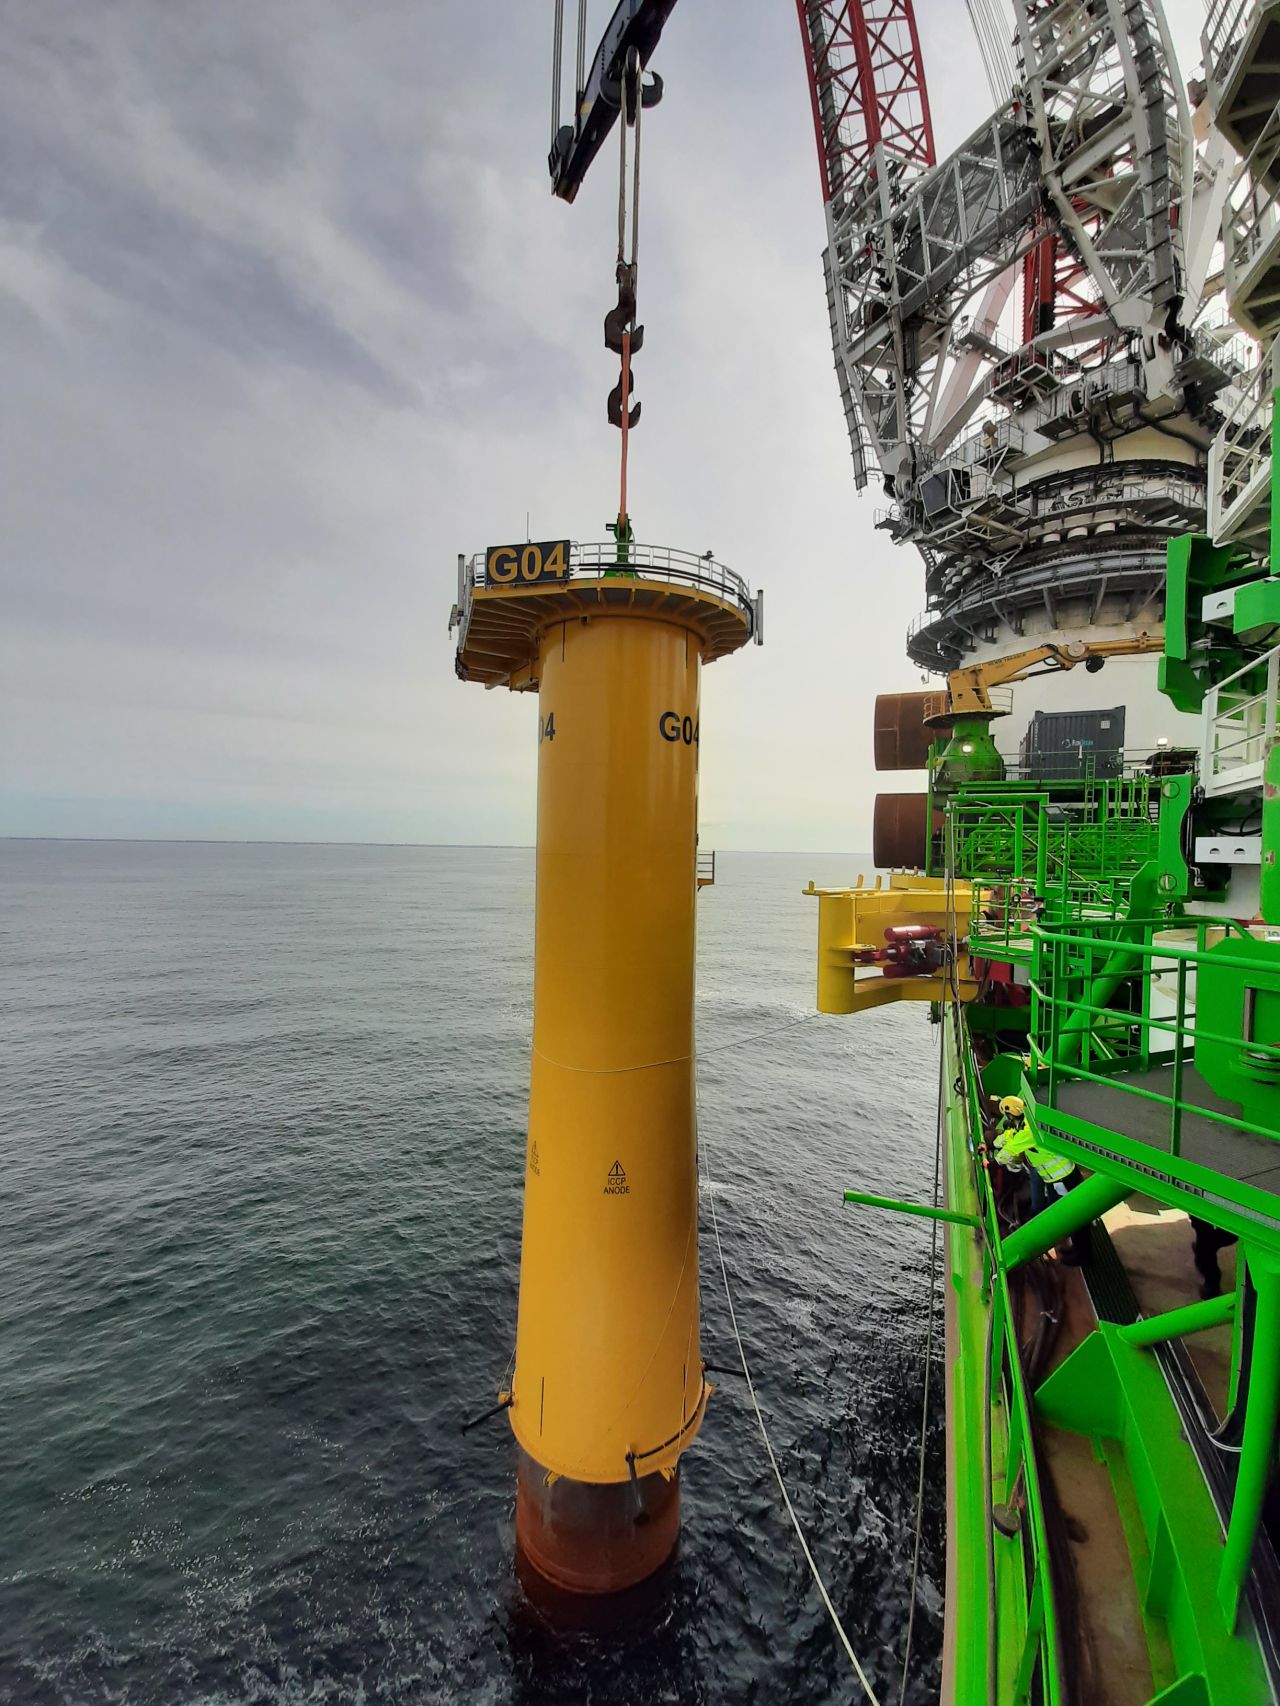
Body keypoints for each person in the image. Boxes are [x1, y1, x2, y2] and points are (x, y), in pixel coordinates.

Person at [993, 1095, 1091, 1264]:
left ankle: (1084, 1256)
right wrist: (993, 1143)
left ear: (1010, 1115)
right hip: (1055, 1179)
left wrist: (991, 1161)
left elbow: (1009, 1151)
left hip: (1064, 1177)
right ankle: (1076, 1248)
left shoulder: (1028, 1132)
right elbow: (1010, 1136)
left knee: (1075, 1215)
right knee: (1057, 1211)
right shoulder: (1024, 1124)